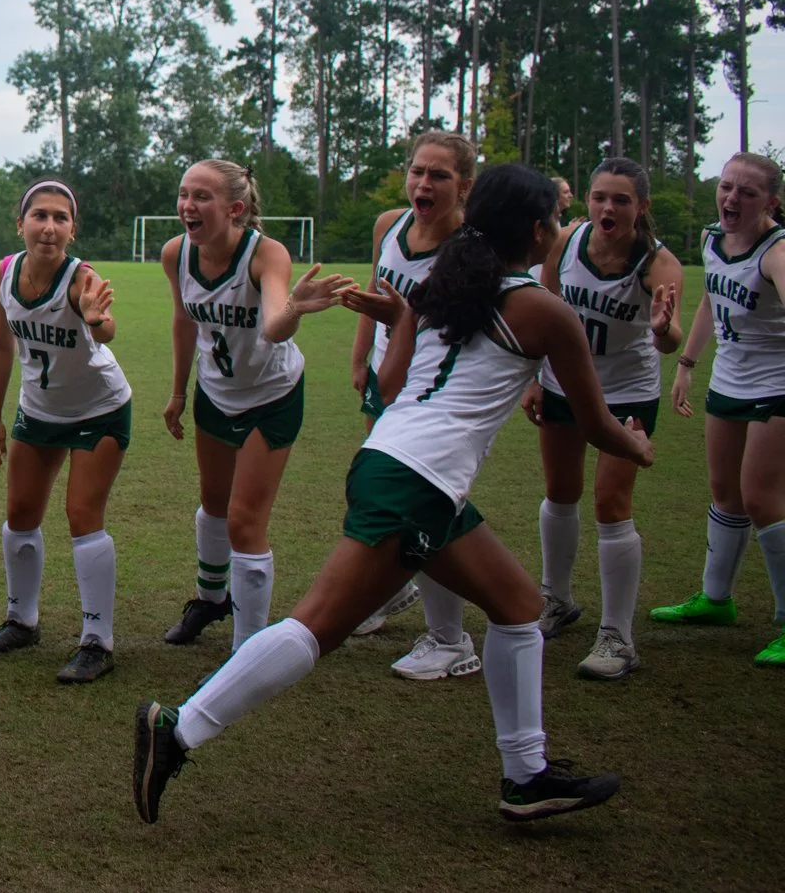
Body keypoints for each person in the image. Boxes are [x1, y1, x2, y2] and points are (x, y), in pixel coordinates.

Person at [134, 164, 655, 826]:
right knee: (316, 625)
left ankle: (527, 774)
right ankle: (177, 730)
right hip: (418, 481)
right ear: (536, 229)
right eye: (557, 218)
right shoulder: (543, 309)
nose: (562, 228)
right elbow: (593, 420)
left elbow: (387, 379)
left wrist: (399, 317)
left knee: (520, 607)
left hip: (393, 464)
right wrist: (635, 444)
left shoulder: (448, 284)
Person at [160, 161, 356, 651]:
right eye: (184, 194)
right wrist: (179, 391)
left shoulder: (266, 254)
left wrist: (295, 308)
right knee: (213, 504)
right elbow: (185, 321)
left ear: (236, 209)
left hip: (271, 396)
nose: (188, 205)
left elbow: (273, 327)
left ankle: (249, 647)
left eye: (202, 196)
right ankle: (211, 599)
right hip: (215, 392)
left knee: (246, 520)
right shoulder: (175, 253)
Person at [518, 158, 683, 679]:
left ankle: (617, 636)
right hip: (563, 381)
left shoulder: (658, 264)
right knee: (560, 490)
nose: (607, 208)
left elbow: (671, 338)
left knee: (612, 503)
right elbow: (542, 305)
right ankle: (556, 599)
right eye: (599, 197)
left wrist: (661, 330)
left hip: (627, 393)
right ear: (586, 199)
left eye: (621, 200)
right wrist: (532, 377)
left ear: (642, 207)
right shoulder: (565, 241)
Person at [0, 179, 132, 683]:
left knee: (82, 514)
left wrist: (94, 318)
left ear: (72, 229)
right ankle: (22, 620)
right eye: (39, 215)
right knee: (20, 514)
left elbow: (105, 327)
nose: (49, 227)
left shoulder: (81, 277)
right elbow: (3, 346)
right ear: (19, 224)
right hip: (38, 409)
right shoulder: (4, 273)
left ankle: (97, 640)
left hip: (98, 409)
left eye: (60, 218)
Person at [344, 131, 481, 678]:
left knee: (419, 505)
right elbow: (378, 296)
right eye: (417, 171)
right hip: (388, 382)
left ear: (465, 187)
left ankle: (450, 638)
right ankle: (393, 589)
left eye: (440, 175)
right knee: (390, 499)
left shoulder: (471, 250)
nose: (423, 184)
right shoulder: (389, 225)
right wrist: (361, 360)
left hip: (430, 396)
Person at [651, 152, 785, 667]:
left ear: (771, 202)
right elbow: (711, 299)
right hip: (730, 381)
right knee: (725, 492)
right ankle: (716, 599)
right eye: (726, 187)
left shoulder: (776, 252)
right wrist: (686, 363)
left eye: (746, 193)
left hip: (776, 387)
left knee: (761, 498)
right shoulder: (714, 239)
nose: (731, 198)